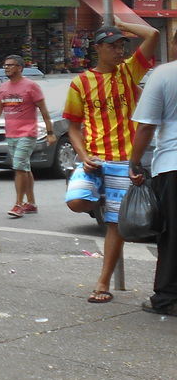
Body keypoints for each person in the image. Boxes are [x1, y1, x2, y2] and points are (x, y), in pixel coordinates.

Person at [64, 22, 158, 303]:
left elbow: (153, 34)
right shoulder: (80, 82)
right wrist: (82, 155)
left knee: (115, 226)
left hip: (123, 160)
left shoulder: (129, 71)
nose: (119, 51)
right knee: (76, 201)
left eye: (122, 46)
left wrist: (120, 24)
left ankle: (102, 283)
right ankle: (104, 201)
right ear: (98, 49)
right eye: (113, 45)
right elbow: (73, 127)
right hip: (93, 158)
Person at [127, 59, 177, 316]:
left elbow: (146, 125)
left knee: (171, 234)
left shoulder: (165, 73)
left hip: (172, 165)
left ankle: (167, 298)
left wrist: (134, 162)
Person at [0, 54, 56, 219]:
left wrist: (50, 133)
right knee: (24, 167)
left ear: (20, 67)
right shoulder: (3, 88)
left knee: (19, 167)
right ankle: (31, 203)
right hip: (11, 133)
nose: (7, 68)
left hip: (27, 133)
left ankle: (18, 204)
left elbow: (44, 110)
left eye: (10, 65)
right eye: (5, 65)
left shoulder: (31, 86)